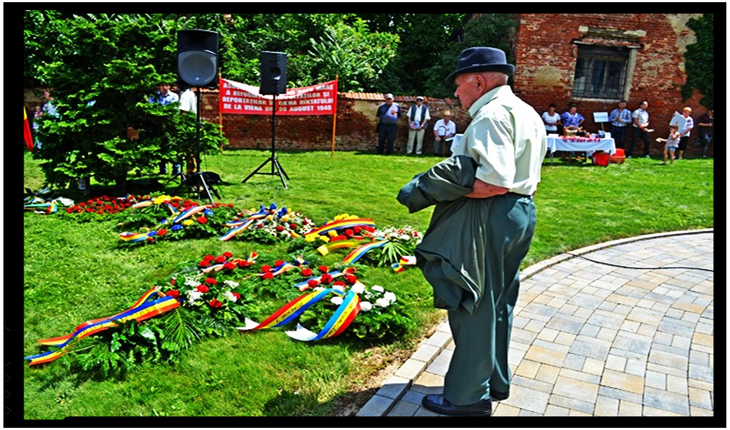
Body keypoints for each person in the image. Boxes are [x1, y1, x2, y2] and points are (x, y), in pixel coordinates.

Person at [399, 46, 546, 418]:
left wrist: (434, 185)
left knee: (473, 302)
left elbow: (492, 182)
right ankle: (493, 381)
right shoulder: (524, 111)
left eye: (460, 84)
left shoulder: (491, 115)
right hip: (520, 212)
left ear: (479, 81)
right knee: (498, 301)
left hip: (490, 213)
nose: (456, 94)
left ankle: (467, 398)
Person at [149, 82, 181, 175]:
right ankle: (162, 169)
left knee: (172, 146)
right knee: (160, 147)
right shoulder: (154, 96)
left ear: (169, 87)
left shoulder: (174, 96)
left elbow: (174, 109)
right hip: (157, 125)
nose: (165, 87)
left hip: (170, 125)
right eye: (163, 85)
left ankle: (176, 169)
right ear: (159, 87)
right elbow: (152, 108)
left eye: (167, 85)